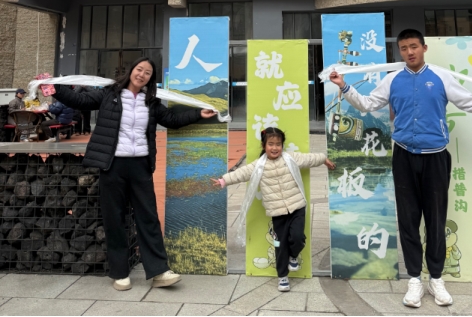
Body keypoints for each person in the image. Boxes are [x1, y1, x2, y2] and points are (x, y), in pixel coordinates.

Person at [329, 29, 472, 308]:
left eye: (414, 46)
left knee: (436, 220)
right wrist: (344, 86)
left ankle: (436, 278)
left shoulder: (441, 77)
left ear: (424, 48)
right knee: (408, 220)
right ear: (400, 51)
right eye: (404, 48)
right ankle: (415, 278)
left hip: (436, 157)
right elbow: (367, 105)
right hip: (404, 156)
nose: (409, 52)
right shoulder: (392, 80)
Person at [45, 57, 218, 291]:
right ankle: (120, 273)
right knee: (114, 219)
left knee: (148, 217)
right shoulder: (109, 94)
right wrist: (54, 88)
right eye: (139, 69)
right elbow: (79, 100)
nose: (142, 75)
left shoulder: (151, 101)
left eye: (147, 73)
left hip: (140, 165)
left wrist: (198, 114)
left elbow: (172, 120)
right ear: (131, 71)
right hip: (112, 164)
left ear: (151, 78)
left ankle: (159, 270)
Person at [212, 127, 336, 292]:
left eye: (278, 144)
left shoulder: (290, 158)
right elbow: (241, 173)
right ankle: (282, 277)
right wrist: (223, 181)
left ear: (282, 145)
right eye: (271, 144)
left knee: (298, 237)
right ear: (264, 146)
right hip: (277, 213)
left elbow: (309, 158)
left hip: (297, 207)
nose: (275, 147)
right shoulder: (259, 165)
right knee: (280, 245)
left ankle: (294, 256)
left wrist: (324, 159)